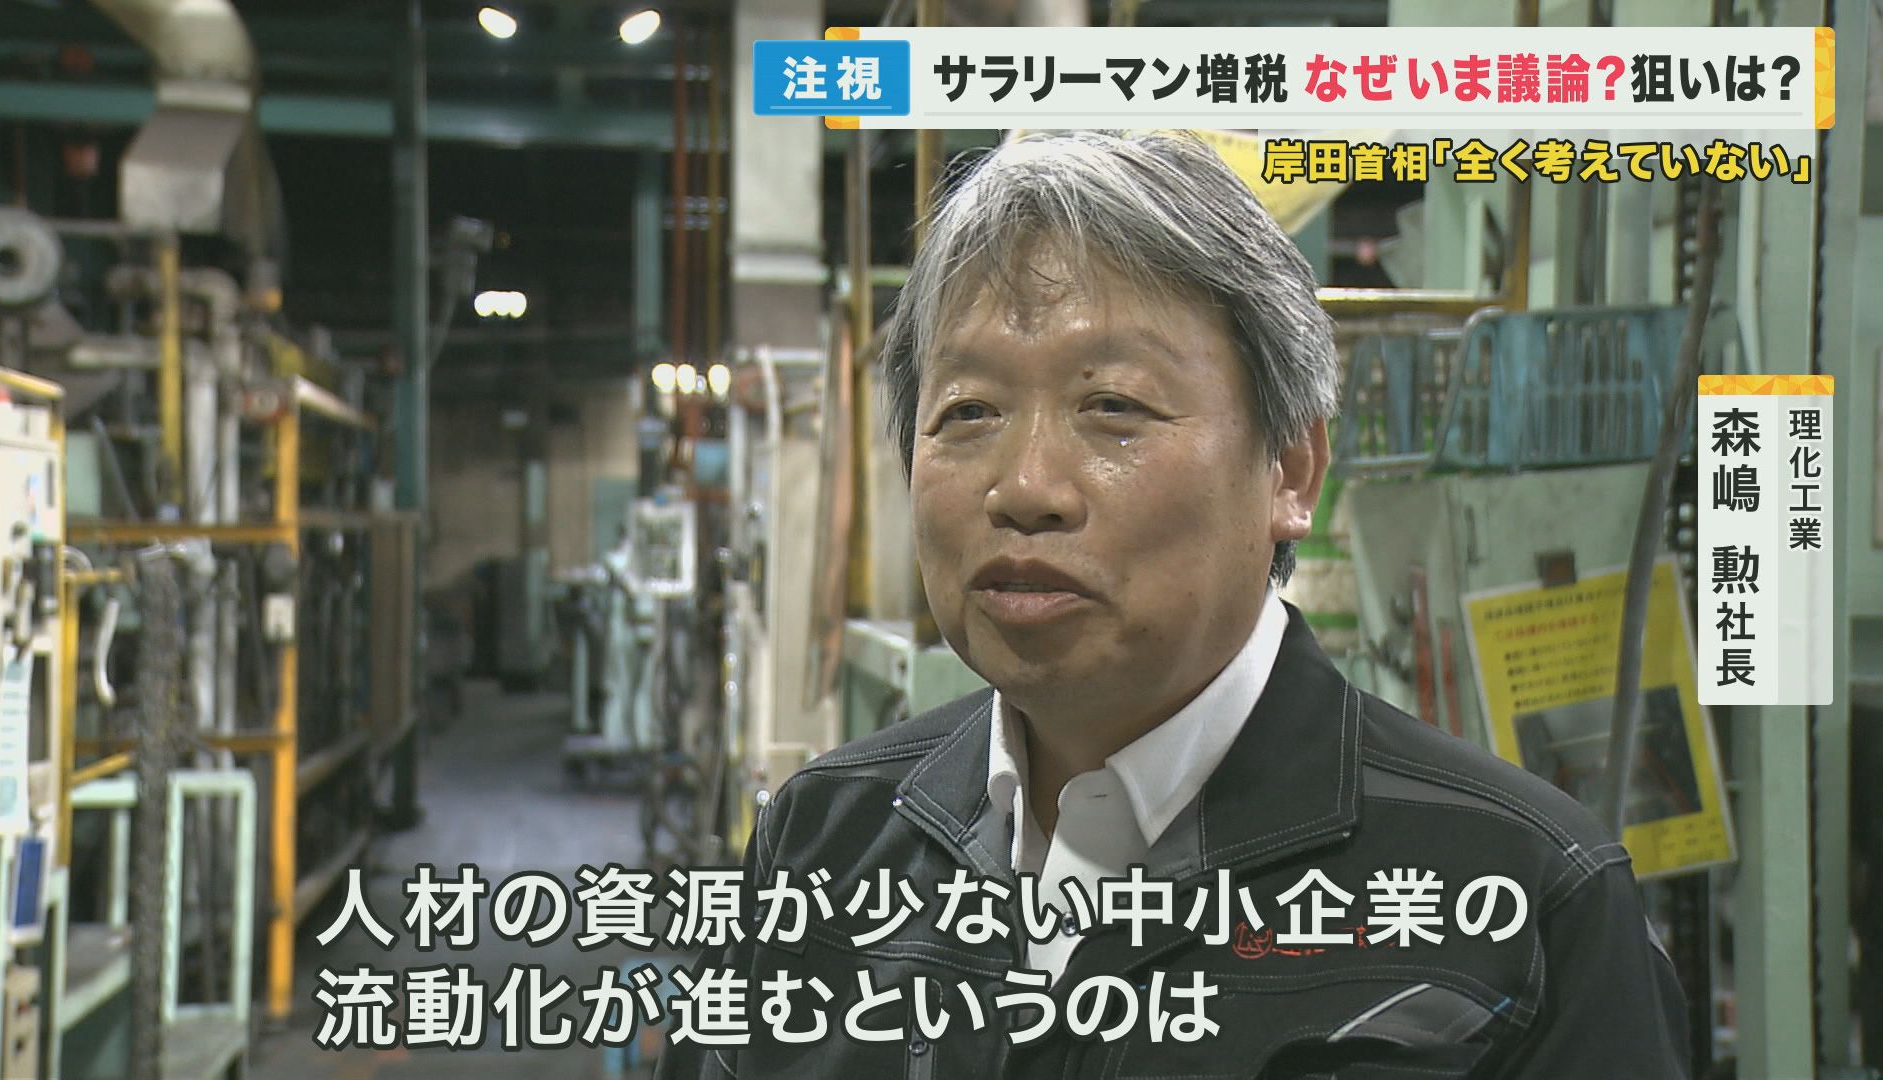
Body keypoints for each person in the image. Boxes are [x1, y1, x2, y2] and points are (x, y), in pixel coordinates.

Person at [658, 130, 1690, 1079]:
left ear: (1290, 469)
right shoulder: (824, 838)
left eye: (1113, 407)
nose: (1026, 488)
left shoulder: (1526, 908)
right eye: (967, 411)